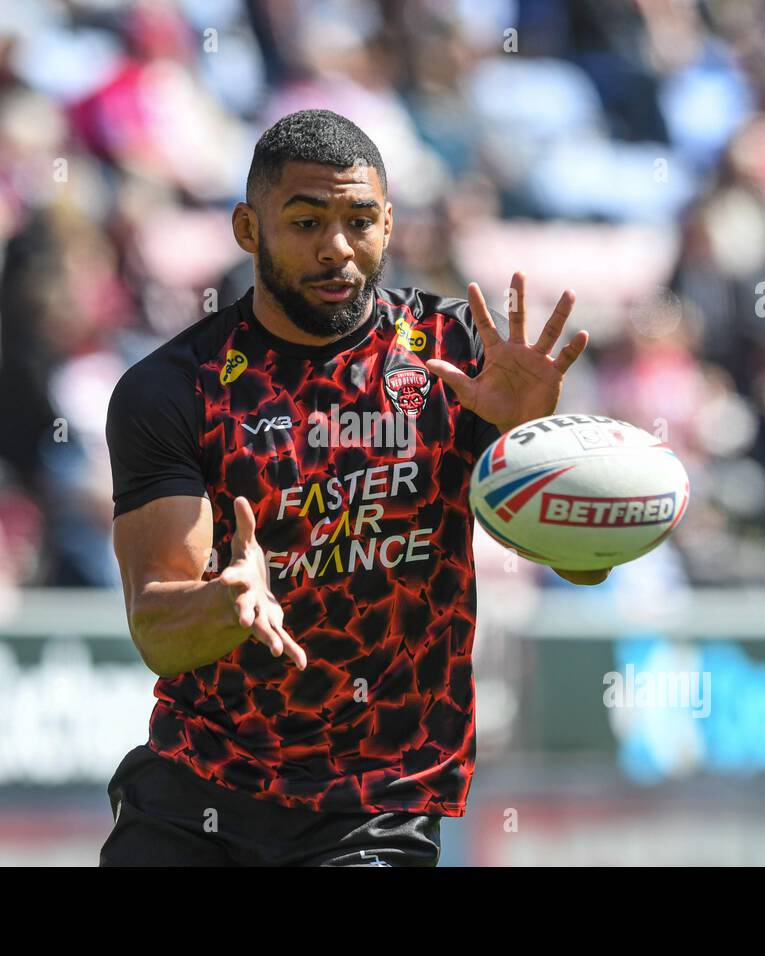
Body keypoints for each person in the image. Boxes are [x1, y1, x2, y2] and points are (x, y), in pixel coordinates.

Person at [100, 109, 607, 867]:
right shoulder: (176, 389)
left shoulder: (456, 361)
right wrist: (226, 603)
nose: (336, 248)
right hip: (197, 789)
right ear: (248, 229)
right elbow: (158, 631)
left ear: (389, 223)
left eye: (359, 220)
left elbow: (583, 567)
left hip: (375, 803)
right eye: (305, 222)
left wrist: (527, 451)